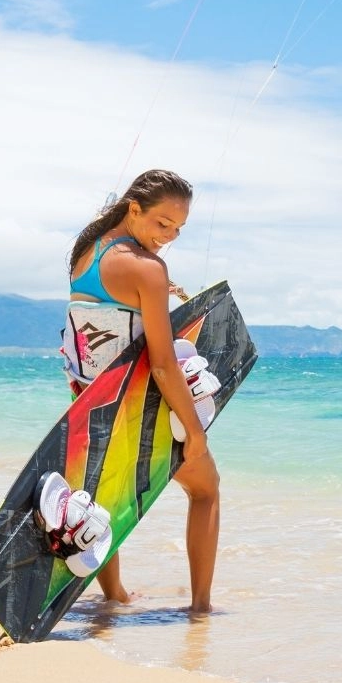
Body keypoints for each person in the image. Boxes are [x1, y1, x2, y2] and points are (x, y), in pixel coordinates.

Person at [61, 169, 221, 615]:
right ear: (135, 209)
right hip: (140, 408)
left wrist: (154, 294)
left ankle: (114, 596)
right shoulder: (147, 268)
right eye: (162, 223)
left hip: (91, 403)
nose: (168, 237)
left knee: (104, 498)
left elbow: (103, 317)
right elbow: (165, 364)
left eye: (177, 229)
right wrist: (195, 431)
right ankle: (201, 609)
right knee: (206, 488)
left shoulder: (87, 253)